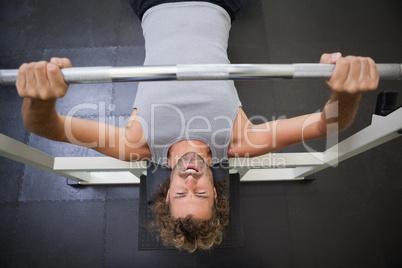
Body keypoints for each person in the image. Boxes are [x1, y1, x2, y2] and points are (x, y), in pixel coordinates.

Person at [15, 0, 379, 252]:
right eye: (201, 194)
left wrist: (41, 99)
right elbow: (325, 123)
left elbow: (50, 128)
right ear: (216, 193)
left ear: (166, 190)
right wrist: (347, 93)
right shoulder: (238, 143)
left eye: (180, 193)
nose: (190, 181)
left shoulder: (137, 146)